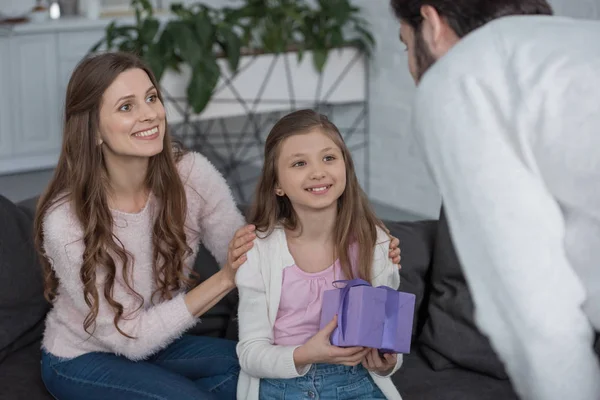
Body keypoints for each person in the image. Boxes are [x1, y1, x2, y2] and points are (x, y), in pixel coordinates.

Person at [390, 1, 600, 399]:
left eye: (405, 45)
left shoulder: (462, 76)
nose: (412, 69)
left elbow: (536, 314)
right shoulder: (581, 43)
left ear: (431, 24)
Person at [34, 51, 256, 400]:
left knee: (253, 372)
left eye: (151, 98)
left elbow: (247, 253)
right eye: (126, 107)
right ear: (93, 131)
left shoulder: (193, 175)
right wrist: (226, 277)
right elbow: (131, 339)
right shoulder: (65, 221)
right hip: (84, 356)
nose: (150, 114)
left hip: (159, 343)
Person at [235, 109, 404, 400]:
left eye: (329, 158)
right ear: (277, 184)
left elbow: (386, 339)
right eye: (299, 163)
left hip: (356, 383)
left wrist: (388, 362)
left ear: (345, 168)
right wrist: (303, 354)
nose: (318, 171)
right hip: (282, 386)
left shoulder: (375, 243)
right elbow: (250, 353)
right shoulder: (259, 250)